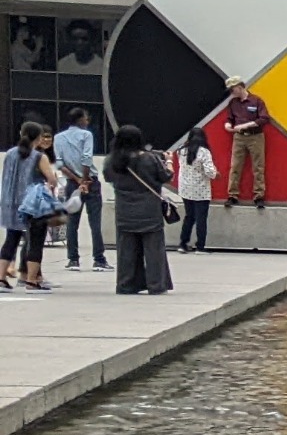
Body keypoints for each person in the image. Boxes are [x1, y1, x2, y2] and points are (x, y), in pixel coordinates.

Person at [104, 124, 173, 295]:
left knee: (126, 251)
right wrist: (169, 161)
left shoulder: (112, 161)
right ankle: (156, 284)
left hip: (124, 210)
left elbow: (107, 177)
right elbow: (166, 176)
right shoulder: (150, 158)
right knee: (154, 250)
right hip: (149, 210)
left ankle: (126, 284)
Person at [5, 119, 63, 290]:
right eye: (42, 137)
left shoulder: (11, 153)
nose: (45, 140)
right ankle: (32, 279)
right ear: (37, 138)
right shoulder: (38, 156)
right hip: (34, 204)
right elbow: (51, 179)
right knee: (35, 240)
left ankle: (7, 277)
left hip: (12, 201)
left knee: (13, 239)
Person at [53, 109, 104, 270]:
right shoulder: (86, 135)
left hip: (71, 182)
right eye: (86, 119)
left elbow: (60, 163)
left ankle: (73, 259)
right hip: (90, 181)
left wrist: (77, 180)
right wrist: (85, 179)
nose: (87, 122)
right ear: (80, 120)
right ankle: (99, 259)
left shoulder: (58, 137)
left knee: (72, 222)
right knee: (95, 222)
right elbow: (86, 158)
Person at [220, 77, 271, 208]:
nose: (232, 92)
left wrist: (246, 125)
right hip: (239, 137)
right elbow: (229, 118)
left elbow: (264, 118)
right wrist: (227, 124)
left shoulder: (256, 100)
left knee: (258, 167)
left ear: (240, 86)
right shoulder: (233, 103)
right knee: (235, 166)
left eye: (233, 89)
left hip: (256, 136)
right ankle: (232, 195)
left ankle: (259, 196)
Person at [175, 130, 216, 253]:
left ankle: (183, 244)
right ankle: (200, 246)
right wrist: (216, 173)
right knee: (201, 218)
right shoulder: (204, 152)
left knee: (189, 216)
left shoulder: (181, 150)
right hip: (201, 190)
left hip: (185, 189)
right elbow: (210, 172)